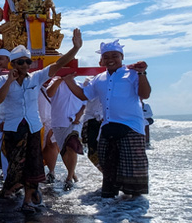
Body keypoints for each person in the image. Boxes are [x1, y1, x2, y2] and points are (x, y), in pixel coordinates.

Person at [0, 35, 82, 211]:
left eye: (27, 62)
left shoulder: (36, 78)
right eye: (20, 62)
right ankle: (16, 189)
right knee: (15, 166)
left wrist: (75, 48)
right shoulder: (3, 80)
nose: (24, 65)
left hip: (33, 127)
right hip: (13, 128)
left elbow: (58, 65)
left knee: (33, 165)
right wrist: (9, 81)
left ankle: (27, 201)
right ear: (13, 64)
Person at [60, 37, 150, 198]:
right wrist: (68, 81)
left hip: (132, 127)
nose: (110, 60)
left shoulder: (132, 74)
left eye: (115, 56)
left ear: (122, 57)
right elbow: (83, 95)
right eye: (106, 56)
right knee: (108, 166)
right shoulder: (98, 79)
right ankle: (110, 202)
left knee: (133, 168)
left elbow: (145, 94)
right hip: (107, 126)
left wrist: (142, 73)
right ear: (101, 60)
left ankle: (134, 204)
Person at [45, 71, 86, 191]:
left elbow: (85, 102)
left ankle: (68, 178)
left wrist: (79, 115)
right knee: (64, 149)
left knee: (72, 146)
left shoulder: (80, 85)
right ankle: (72, 173)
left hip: (75, 121)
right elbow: (49, 93)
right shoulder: (55, 82)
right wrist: (59, 79)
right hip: (59, 121)